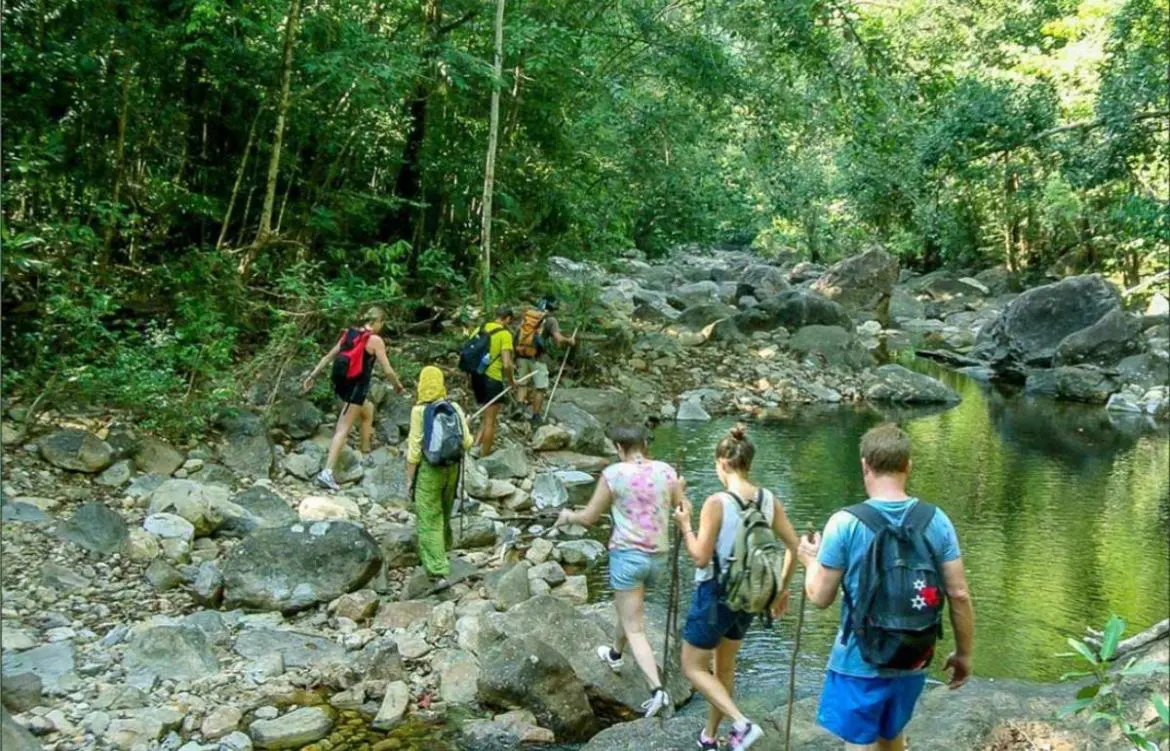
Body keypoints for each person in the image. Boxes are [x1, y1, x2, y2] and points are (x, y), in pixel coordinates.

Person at [797, 422, 974, 751]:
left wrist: (809, 562)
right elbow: (959, 594)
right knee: (892, 736)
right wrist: (963, 654)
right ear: (908, 466)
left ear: (865, 465)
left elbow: (820, 597)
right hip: (913, 657)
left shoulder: (844, 522)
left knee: (859, 744)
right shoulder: (937, 520)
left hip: (858, 661)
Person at [672, 424, 800, 751]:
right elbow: (794, 547)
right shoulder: (769, 500)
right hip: (749, 594)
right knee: (724, 667)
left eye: (717, 465)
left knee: (692, 666)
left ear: (724, 464)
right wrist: (779, 589)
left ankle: (741, 724)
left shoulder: (717, 502)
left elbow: (701, 557)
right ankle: (710, 737)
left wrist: (686, 525)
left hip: (716, 593)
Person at [555, 425, 680, 718]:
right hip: (657, 558)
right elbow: (679, 507)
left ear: (620, 448)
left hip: (628, 557)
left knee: (635, 626)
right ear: (644, 446)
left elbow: (588, 518)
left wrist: (567, 516)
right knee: (628, 609)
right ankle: (614, 653)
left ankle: (656, 690)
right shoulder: (666, 471)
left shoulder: (613, 474)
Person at [302, 305, 405, 491]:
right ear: (377, 321)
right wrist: (397, 384)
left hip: (343, 386)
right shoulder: (375, 340)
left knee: (368, 409)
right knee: (343, 429)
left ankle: (365, 452)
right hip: (356, 390)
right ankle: (327, 472)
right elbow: (387, 369)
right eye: (382, 322)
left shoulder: (349, 334)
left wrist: (312, 376)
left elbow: (327, 357)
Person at [405, 366, 474, 581]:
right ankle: (443, 550)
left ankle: (437, 569)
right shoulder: (453, 407)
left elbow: (414, 451)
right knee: (444, 511)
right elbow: (468, 442)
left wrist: (410, 479)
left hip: (430, 470)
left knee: (429, 517)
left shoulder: (419, 412)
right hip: (451, 469)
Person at [513, 295, 576, 423]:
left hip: (521, 354)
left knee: (522, 383)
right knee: (540, 387)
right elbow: (558, 339)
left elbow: (517, 334)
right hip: (537, 358)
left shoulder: (528, 315)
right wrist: (569, 341)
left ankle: (519, 407)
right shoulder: (551, 320)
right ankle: (536, 416)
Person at [470, 306, 515, 457]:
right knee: (490, 420)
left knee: (484, 414)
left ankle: (475, 446)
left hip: (477, 377)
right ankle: (484, 456)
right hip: (492, 380)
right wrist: (511, 381)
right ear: (507, 318)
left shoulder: (480, 328)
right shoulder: (505, 334)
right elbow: (507, 364)